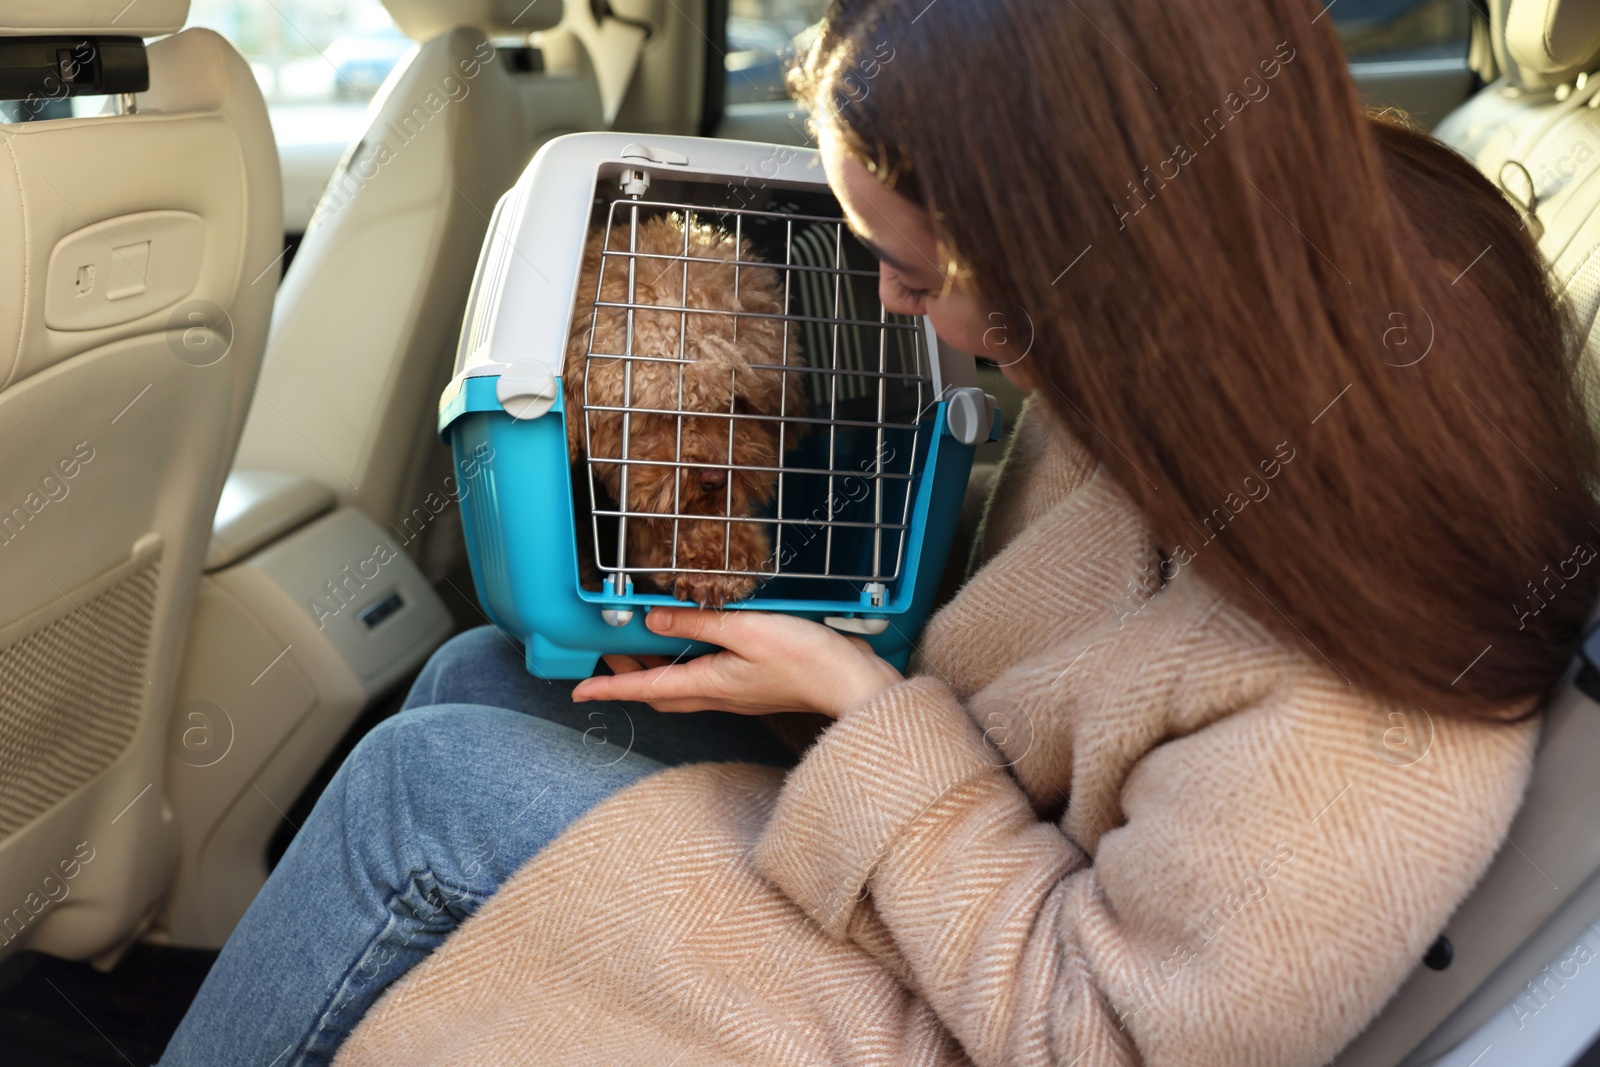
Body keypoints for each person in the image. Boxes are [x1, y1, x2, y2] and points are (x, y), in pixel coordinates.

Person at [161, 0, 1600, 1064]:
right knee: (495, 674)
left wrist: (864, 708)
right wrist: (849, 664)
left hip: (997, 1010)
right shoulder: (1245, 312)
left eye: (911, 278)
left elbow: (1090, 1031)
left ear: (1066, 252)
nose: (898, 313)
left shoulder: (1354, 677)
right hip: (987, 843)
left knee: (425, 787)